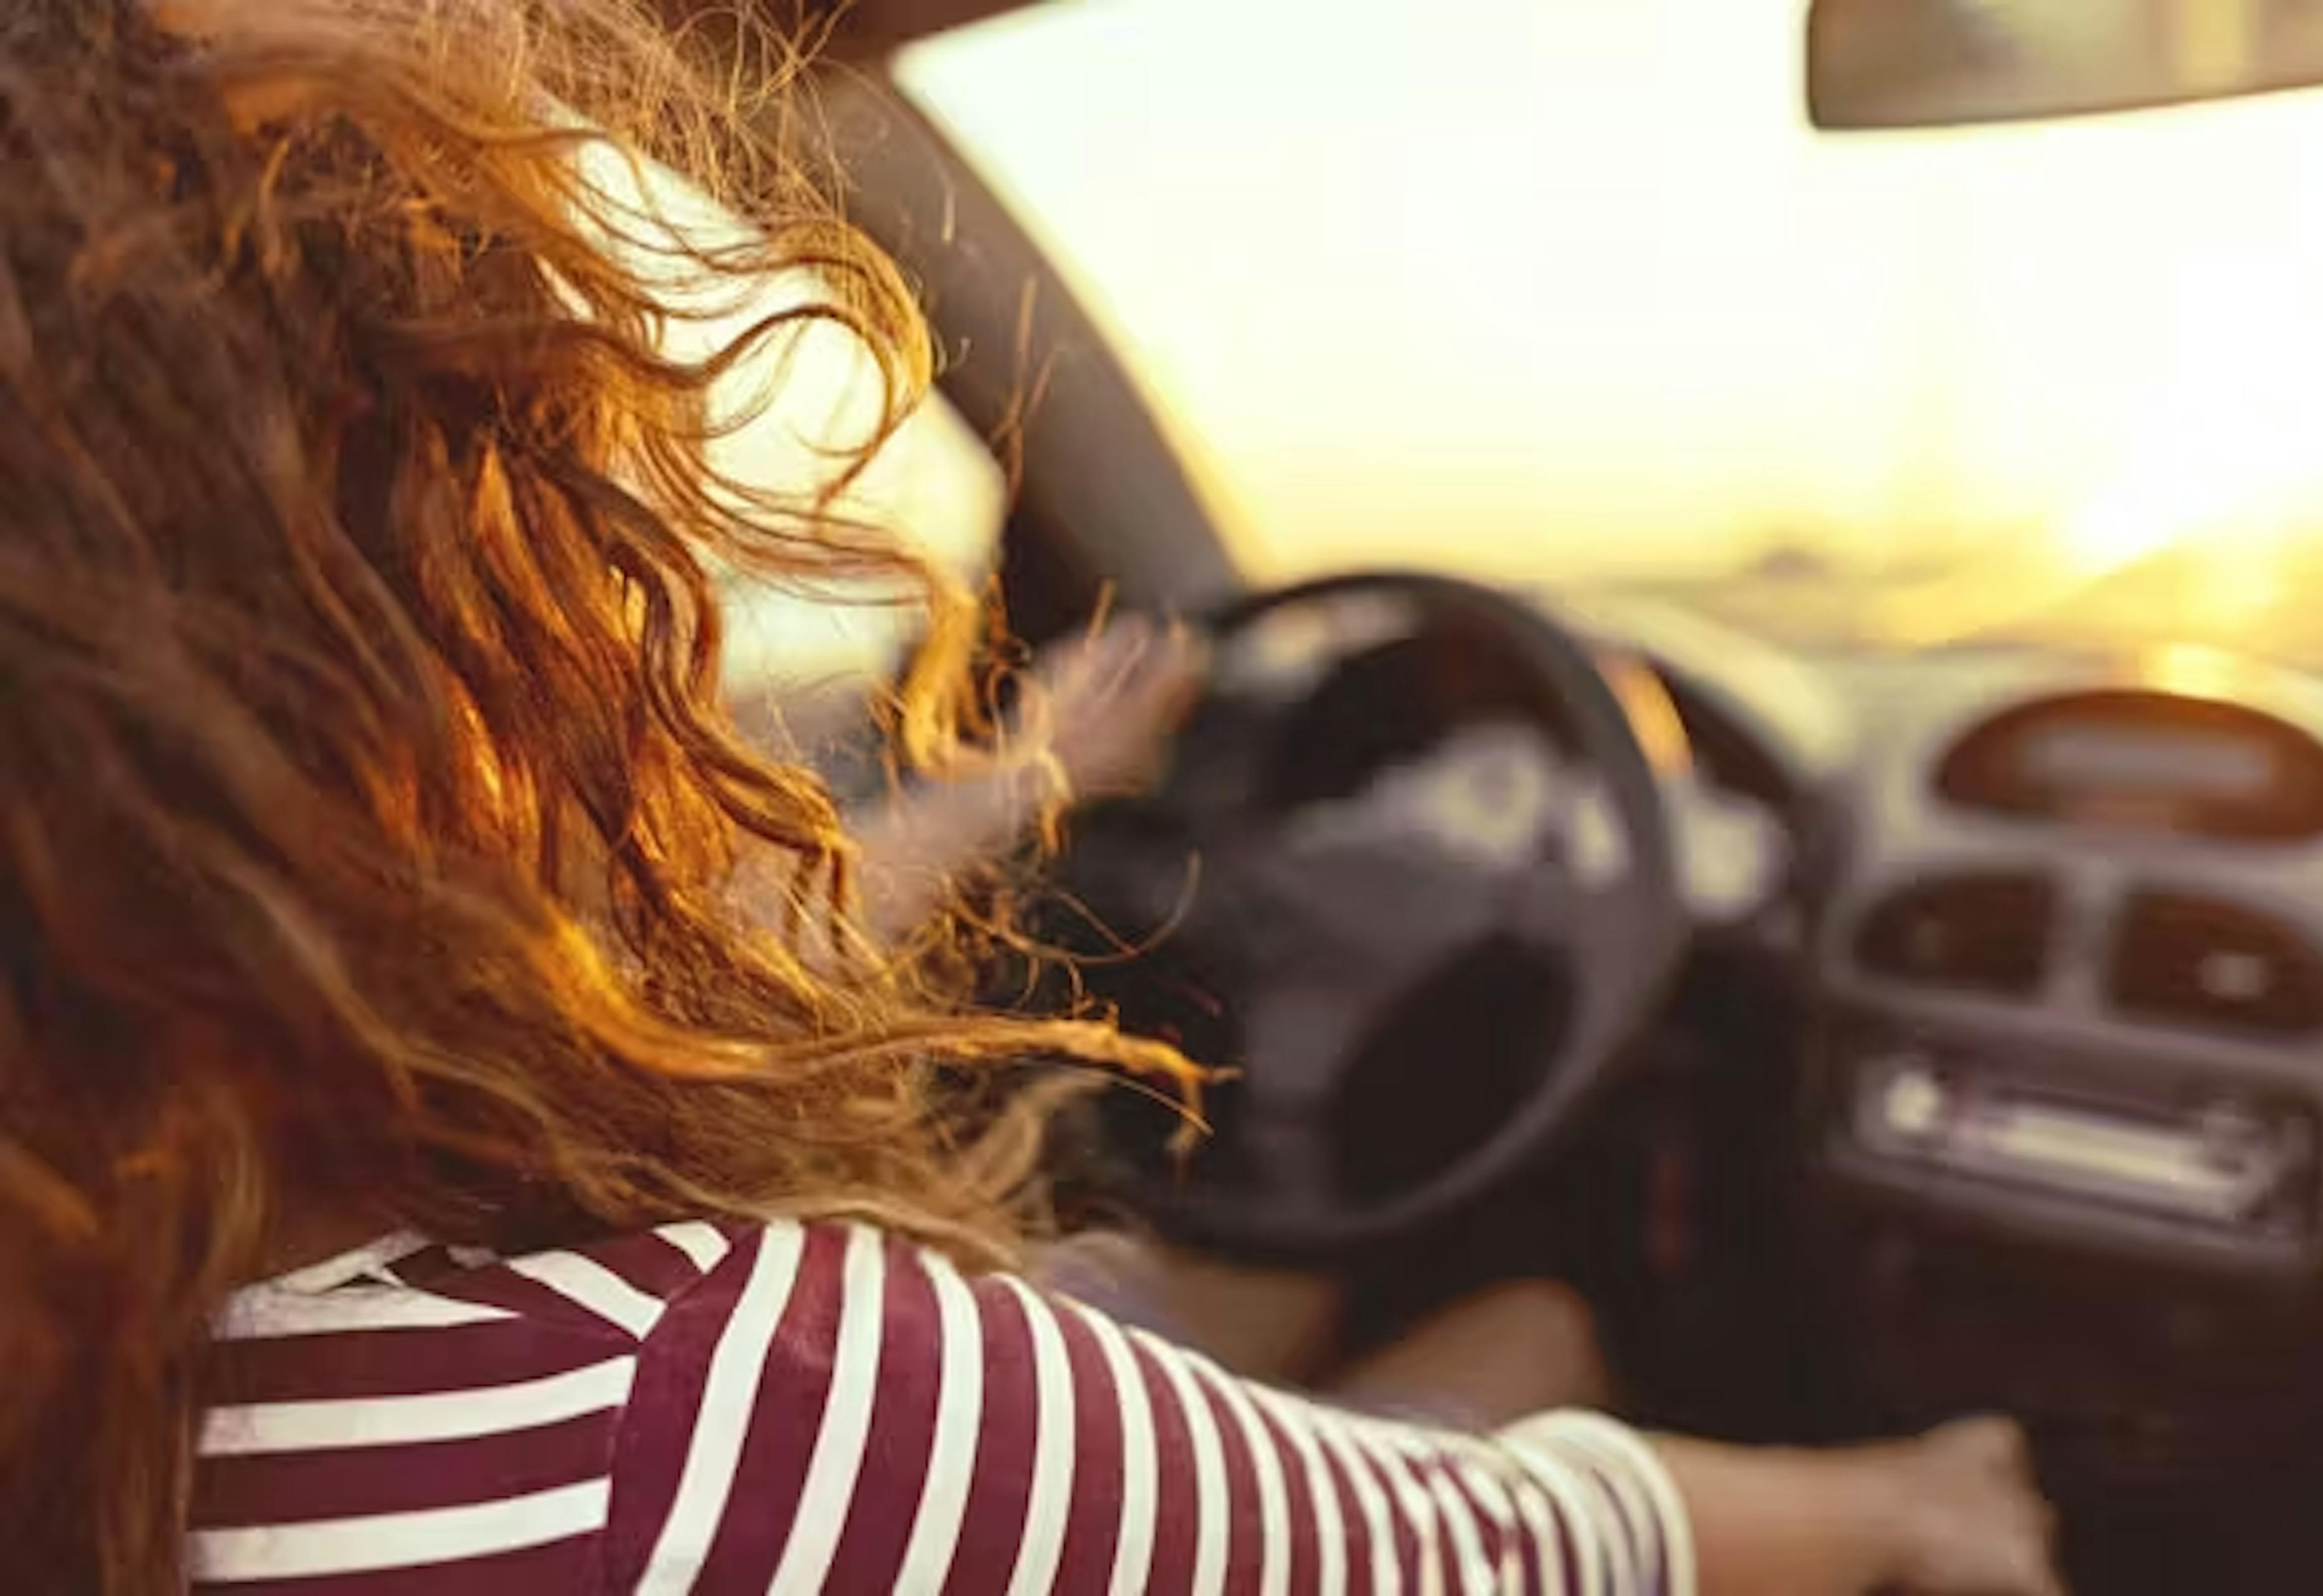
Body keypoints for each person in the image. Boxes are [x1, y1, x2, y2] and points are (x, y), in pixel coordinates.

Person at [0, 1, 2064, 1590]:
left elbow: (700, 977)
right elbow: (1487, 1550)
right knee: (1528, 1327)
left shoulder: (136, 1268)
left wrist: (1015, 793)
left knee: (1240, 1284)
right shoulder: (703, 1411)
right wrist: (1916, 1495)